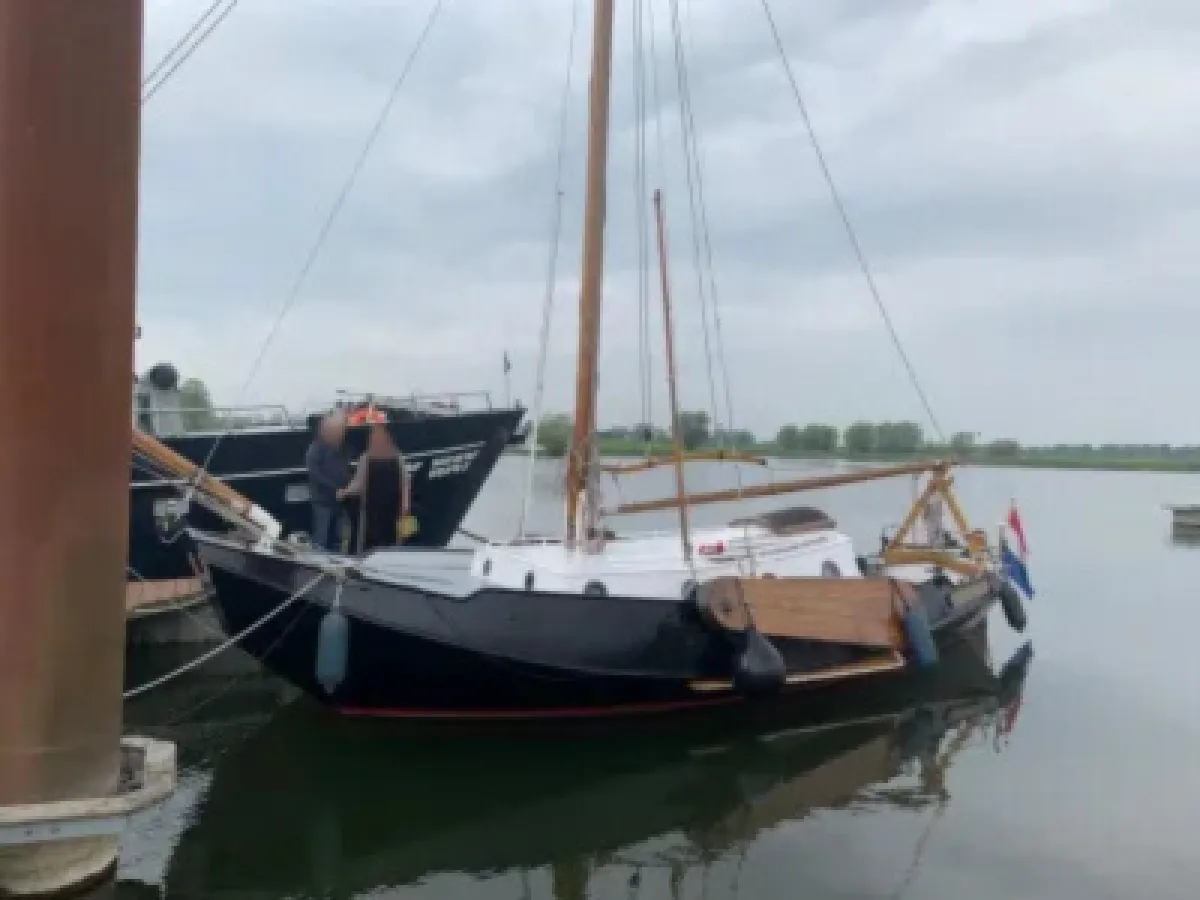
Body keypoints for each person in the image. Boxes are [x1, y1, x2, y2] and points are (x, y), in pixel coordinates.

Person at [340, 423, 411, 553]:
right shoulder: (397, 458)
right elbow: (405, 483)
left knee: (375, 540)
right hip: (384, 508)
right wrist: (405, 506)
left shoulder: (368, 459)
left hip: (380, 509)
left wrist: (344, 492)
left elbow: (358, 484)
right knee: (387, 539)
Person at [305, 412, 352, 552]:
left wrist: (347, 488)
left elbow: (346, 468)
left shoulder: (342, 447)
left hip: (340, 501)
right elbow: (315, 474)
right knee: (321, 539)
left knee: (338, 538)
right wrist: (334, 489)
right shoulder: (315, 448)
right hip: (322, 501)